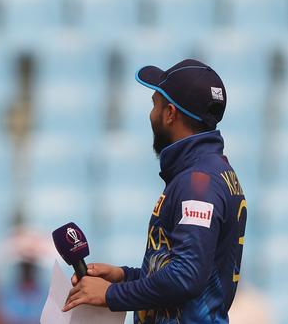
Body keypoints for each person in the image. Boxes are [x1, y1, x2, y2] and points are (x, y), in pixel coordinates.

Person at [63, 59, 248, 323]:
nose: (151, 114)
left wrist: (112, 294)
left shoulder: (198, 182)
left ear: (170, 113)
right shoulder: (208, 172)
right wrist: (123, 276)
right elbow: (191, 276)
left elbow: (186, 277)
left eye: (155, 104)